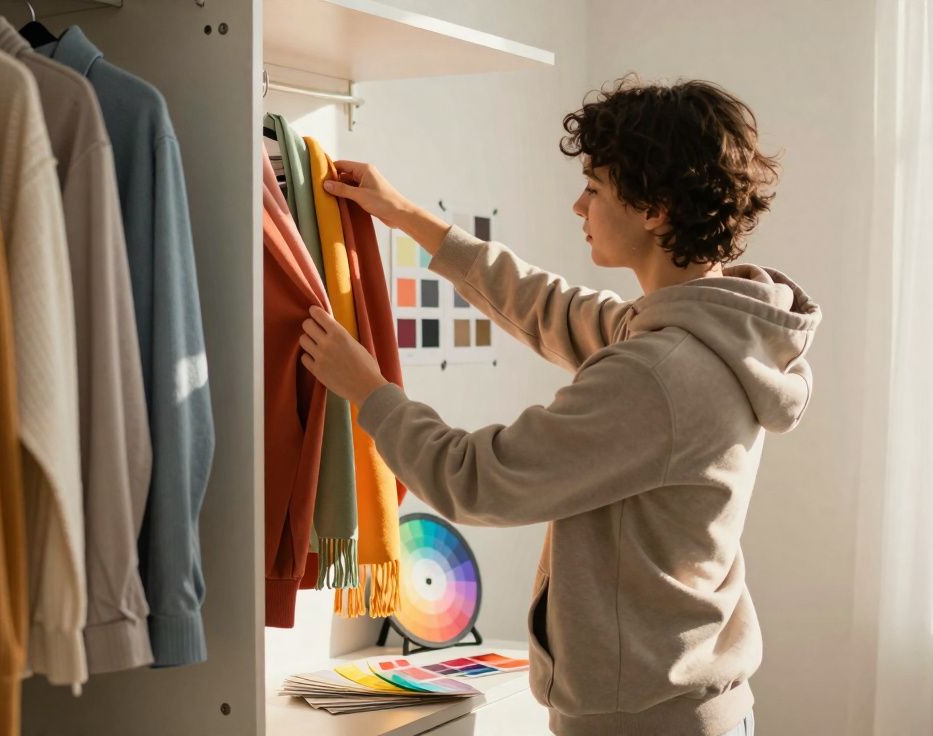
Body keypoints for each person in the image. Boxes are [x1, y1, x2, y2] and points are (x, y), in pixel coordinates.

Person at [299, 76, 819, 736]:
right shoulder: (711, 335)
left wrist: (369, 393)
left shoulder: (660, 373)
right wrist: (409, 217)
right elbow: (551, 308)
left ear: (654, 208)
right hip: (688, 710)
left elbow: (478, 479)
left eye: (595, 188)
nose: (580, 204)